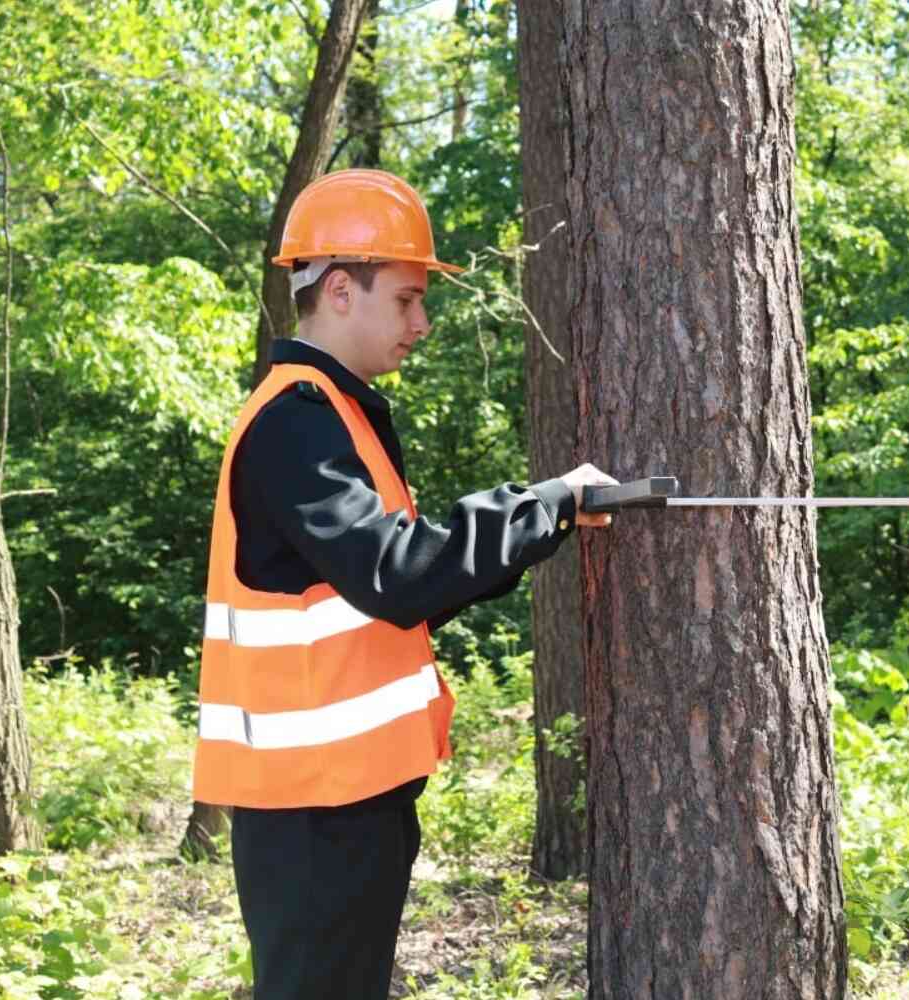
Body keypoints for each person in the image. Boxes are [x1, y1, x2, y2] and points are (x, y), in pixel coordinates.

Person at [190, 168, 617, 999]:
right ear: (340, 290)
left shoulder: (334, 415)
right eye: (408, 299)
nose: (422, 324)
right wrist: (545, 504)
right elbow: (398, 571)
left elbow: (406, 588)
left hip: (343, 799)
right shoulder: (295, 423)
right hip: (313, 809)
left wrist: (549, 519)